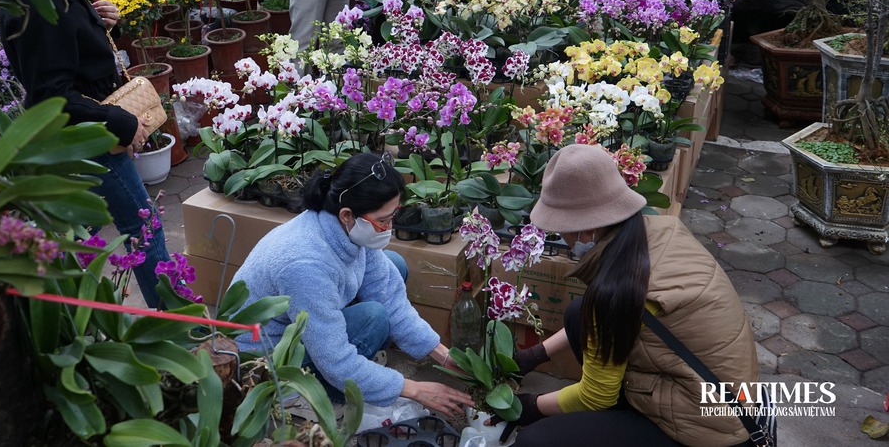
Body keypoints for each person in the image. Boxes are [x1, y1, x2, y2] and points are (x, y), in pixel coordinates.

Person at [501, 144, 760, 446]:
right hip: (720, 392)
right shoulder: (659, 229)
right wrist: (530, 357)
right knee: (577, 312)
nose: (563, 239)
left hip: (704, 428)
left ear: (588, 230)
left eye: (563, 230)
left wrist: (528, 407)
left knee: (536, 441)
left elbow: (594, 397)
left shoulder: (615, 289)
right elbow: (602, 317)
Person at [0, 0, 172, 309]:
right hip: (90, 140)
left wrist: (98, 18)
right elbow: (51, 96)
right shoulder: (41, 4)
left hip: (83, 138)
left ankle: (70, 310)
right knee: (143, 228)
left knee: (75, 234)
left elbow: (65, 54)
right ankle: (182, 326)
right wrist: (120, 121)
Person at [231, 152, 473, 416]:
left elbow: (389, 295)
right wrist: (412, 388)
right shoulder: (305, 264)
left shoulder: (341, 225)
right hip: (267, 362)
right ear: (348, 215)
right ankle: (320, 396)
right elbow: (335, 359)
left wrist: (441, 355)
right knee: (374, 318)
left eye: (393, 216)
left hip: (300, 322)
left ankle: (365, 368)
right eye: (383, 220)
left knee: (393, 264)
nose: (389, 227)